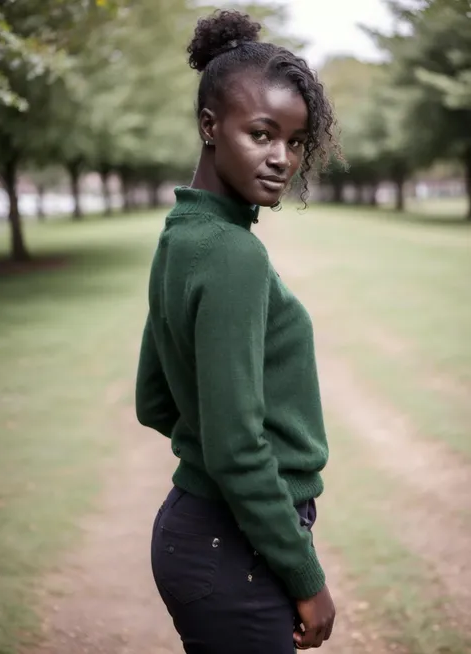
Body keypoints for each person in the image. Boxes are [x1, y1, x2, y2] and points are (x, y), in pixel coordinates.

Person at [135, 9, 339, 653]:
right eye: (261, 133)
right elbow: (234, 447)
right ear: (209, 126)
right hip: (232, 551)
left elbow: (154, 400)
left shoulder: (182, 236)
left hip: (197, 533)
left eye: (296, 140)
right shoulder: (233, 254)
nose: (282, 157)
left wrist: (217, 445)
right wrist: (306, 576)